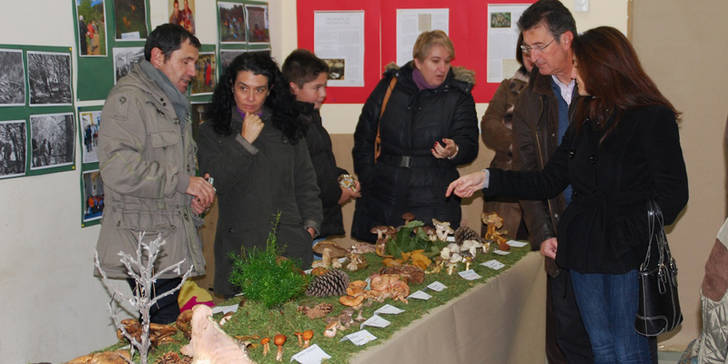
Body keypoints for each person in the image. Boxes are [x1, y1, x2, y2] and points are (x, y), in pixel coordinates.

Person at [447, 25, 689, 364]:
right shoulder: (585, 116)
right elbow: (548, 180)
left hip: (626, 257)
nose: (573, 73)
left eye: (579, 64)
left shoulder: (652, 117)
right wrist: (488, 179)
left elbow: (673, 194)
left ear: (605, 67)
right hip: (583, 253)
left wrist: (629, 235)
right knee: (600, 348)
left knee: (629, 350)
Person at [95, 24, 215, 324]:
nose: (192, 71)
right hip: (144, 245)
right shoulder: (129, 99)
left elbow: (169, 168)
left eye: (194, 62)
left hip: (168, 240)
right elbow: (118, 168)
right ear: (158, 57)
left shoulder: (171, 103)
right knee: (161, 331)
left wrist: (190, 198)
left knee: (168, 328)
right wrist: (183, 183)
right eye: (185, 61)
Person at [504, 1, 594, 362]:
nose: (532, 56)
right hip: (561, 237)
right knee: (567, 342)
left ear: (567, 39)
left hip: (606, 239)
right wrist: (542, 233)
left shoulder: (603, 85)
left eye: (540, 46)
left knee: (611, 340)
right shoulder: (531, 99)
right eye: (528, 48)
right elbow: (528, 174)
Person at [197, 52, 323, 298]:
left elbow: (307, 182)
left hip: (289, 242)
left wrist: (310, 226)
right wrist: (243, 142)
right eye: (243, 88)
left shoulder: (287, 126)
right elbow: (215, 182)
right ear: (231, 86)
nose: (251, 98)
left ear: (271, 90)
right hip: (240, 248)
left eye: (259, 90)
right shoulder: (212, 131)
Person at [351, 30, 478, 242]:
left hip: (434, 196)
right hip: (385, 193)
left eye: (447, 62)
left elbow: (469, 144)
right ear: (418, 62)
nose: (442, 68)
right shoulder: (389, 87)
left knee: (431, 265)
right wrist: (369, 178)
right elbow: (364, 137)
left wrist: (454, 150)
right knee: (383, 266)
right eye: (435, 61)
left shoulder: (459, 96)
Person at [282, 49, 361, 251]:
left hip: (320, 220)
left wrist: (343, 177)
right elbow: (303, 179)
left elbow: (323, 163)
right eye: (316, 87)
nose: (323, 94)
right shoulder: (288, 125)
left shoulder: (312, 116)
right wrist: (337, 194)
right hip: (303, 225)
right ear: (293, 88)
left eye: (324, 86)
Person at [480, 33, 533, 240]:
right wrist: (522, 145)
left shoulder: (557, 90)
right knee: (499, 250)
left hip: (540, 184)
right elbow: (489, 126)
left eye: (535, 48)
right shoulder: (508, 87)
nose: (529, 55)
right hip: (505, 180)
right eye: (524, 49)